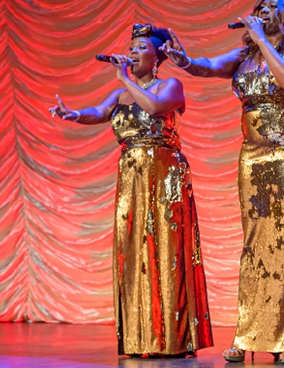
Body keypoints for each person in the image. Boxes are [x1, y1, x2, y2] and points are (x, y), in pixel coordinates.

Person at [160, 0, 284, 364]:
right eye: (260, 8)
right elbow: (208, 66)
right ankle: (249, 332)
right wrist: (184, 61)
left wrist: (263, 40)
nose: (262, 12)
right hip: (253, 155)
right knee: (255, 244)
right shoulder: (247, 55)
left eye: (271, 8)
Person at [49, 23, 213, 357]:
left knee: (166, 250)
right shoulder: (120, 94)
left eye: (141, 48)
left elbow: (154, 108)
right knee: (135, 249)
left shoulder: (171, 85)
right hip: (132, 177)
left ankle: (174, 338)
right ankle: (141, 338)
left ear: (157, 57)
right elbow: (99, 112)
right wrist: (73, 114)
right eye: (131, 48)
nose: (133, 53)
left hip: (165, 175)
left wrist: (125, 79)